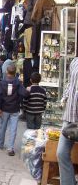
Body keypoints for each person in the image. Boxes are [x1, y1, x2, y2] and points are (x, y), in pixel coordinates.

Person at [0, 64, 28, 156]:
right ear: (15, 73)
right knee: (13, 128)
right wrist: (29, 90)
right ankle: (10, 148)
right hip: (14, 108)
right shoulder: (18, 83)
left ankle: (0, 143)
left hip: (5, 108)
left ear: (6, 72)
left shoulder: (2, 82)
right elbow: (24, 93)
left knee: (3, 127)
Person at [57, 57, 78, 185]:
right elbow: (70, 83)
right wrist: (64, 97)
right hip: (70, 115)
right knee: (61, 153)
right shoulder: (75, 61)